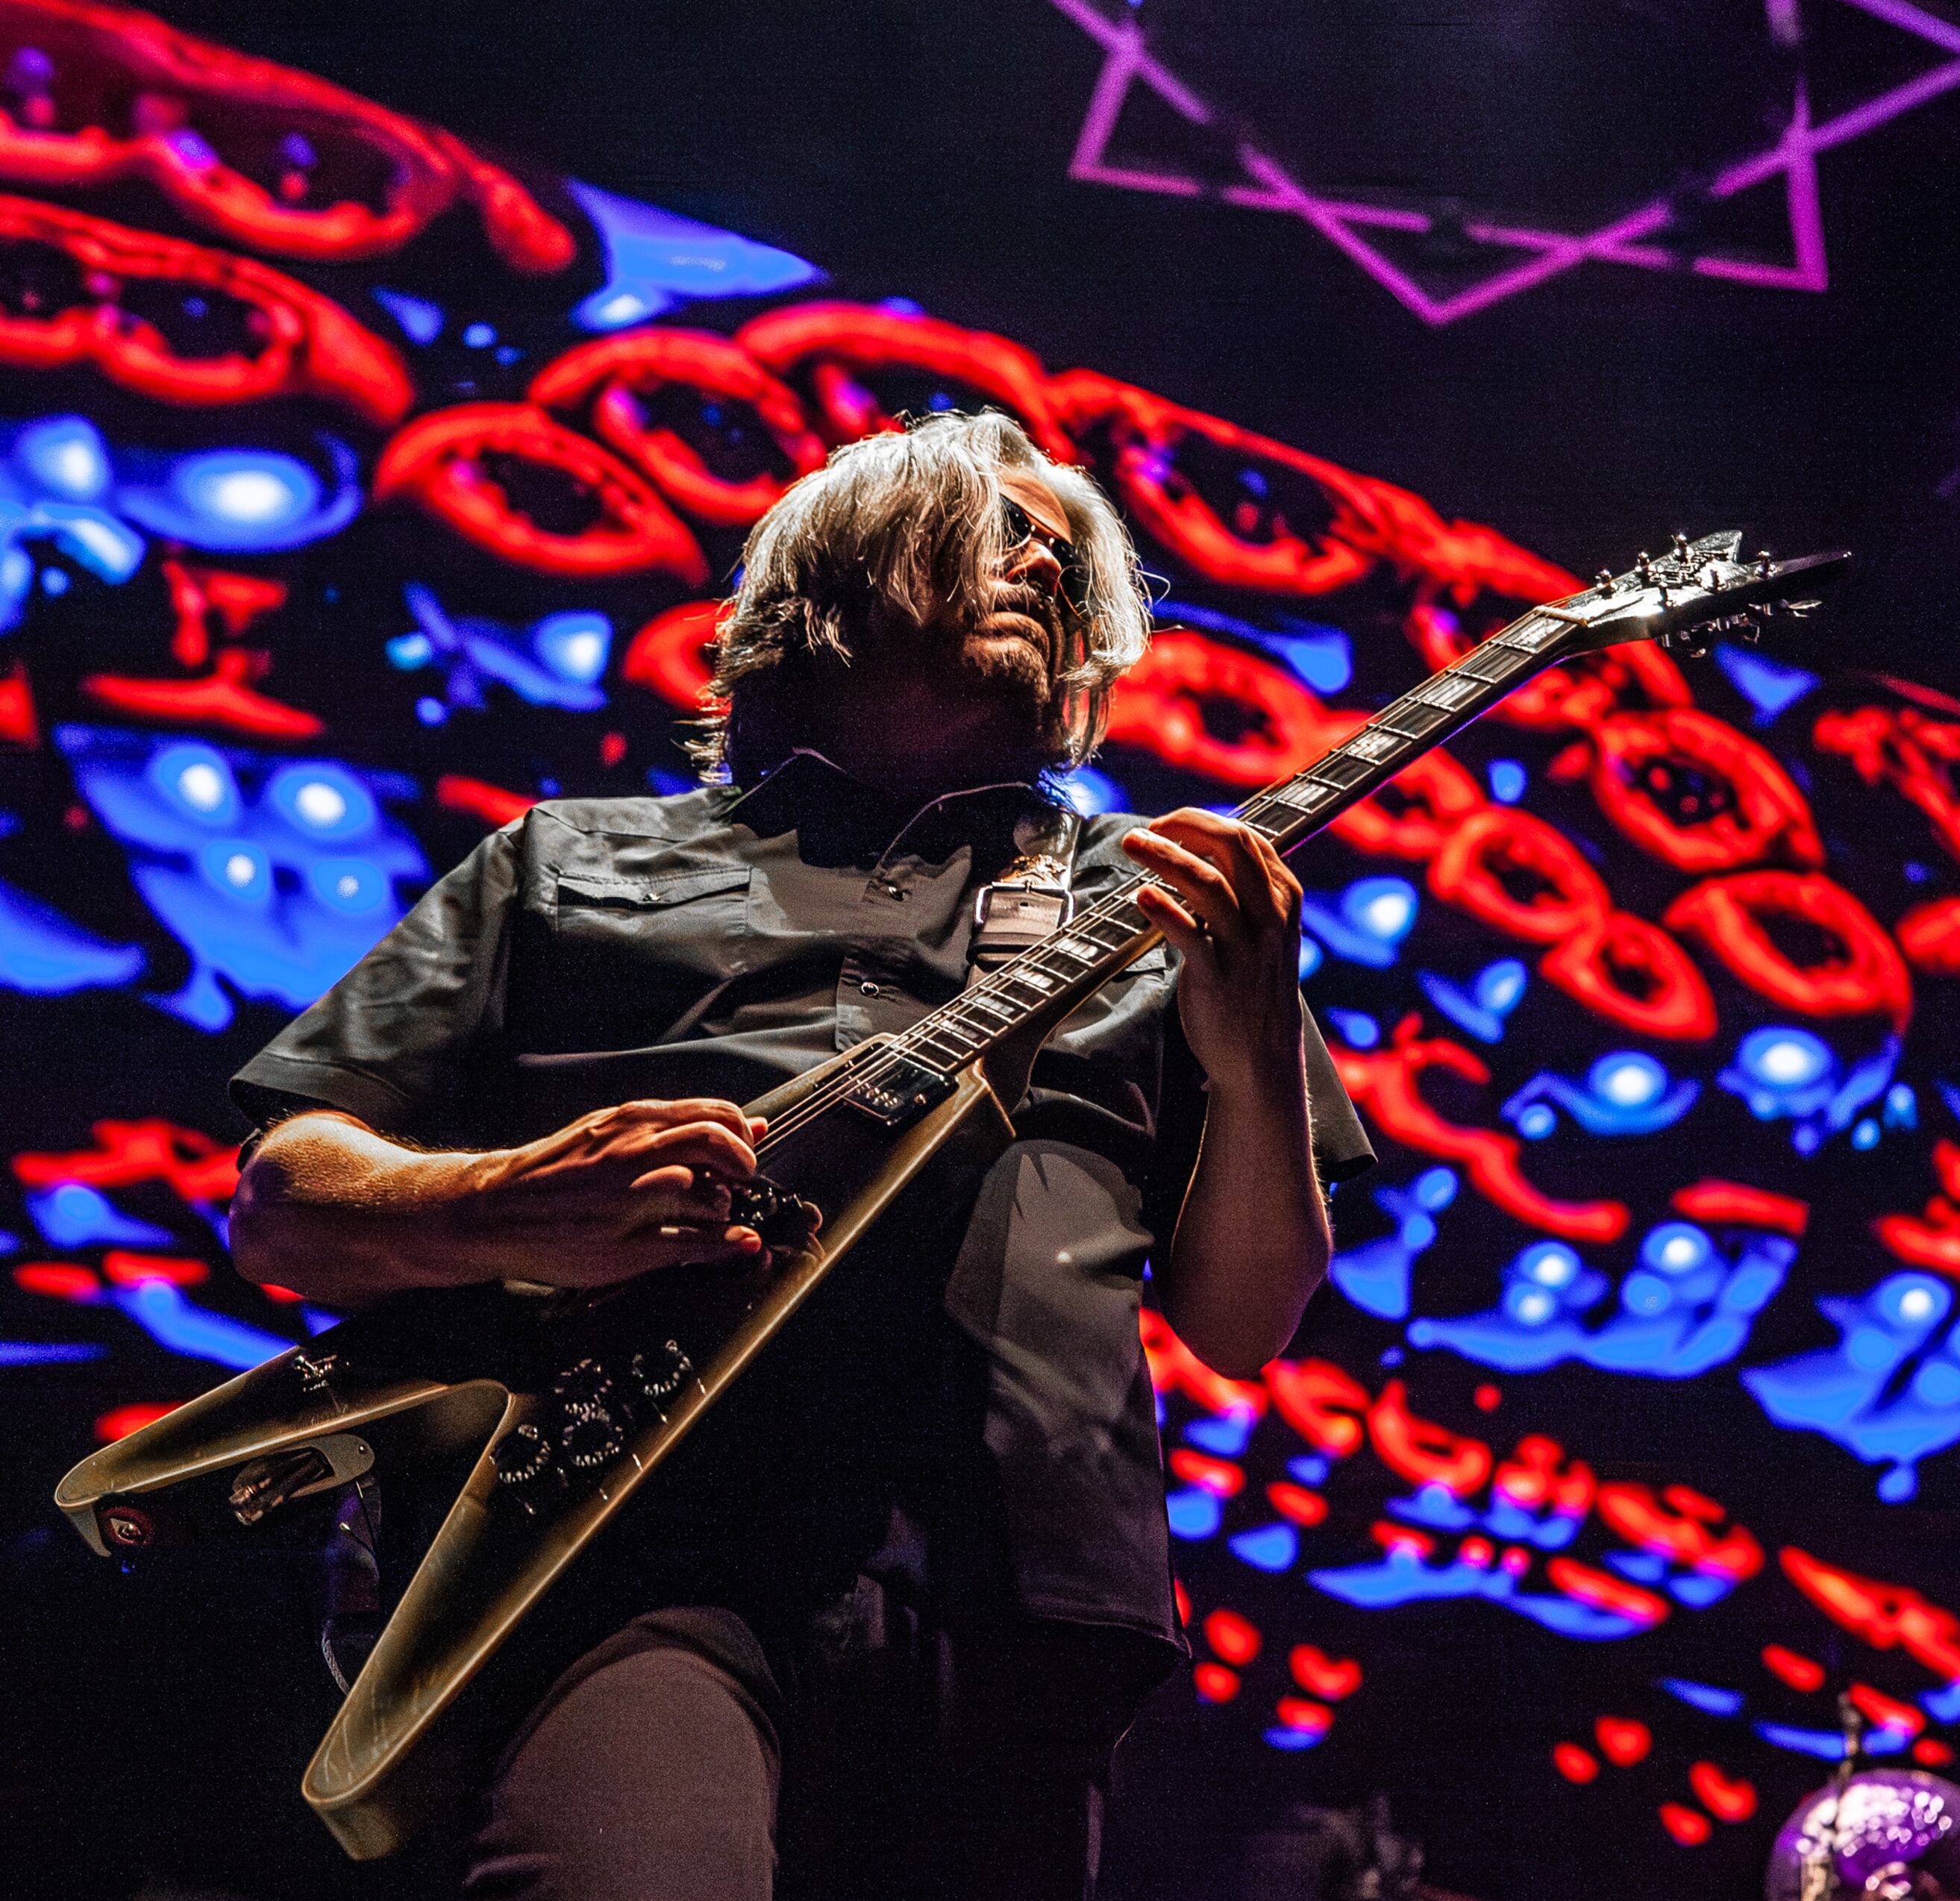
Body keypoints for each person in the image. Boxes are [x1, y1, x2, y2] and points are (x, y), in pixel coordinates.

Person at [224, 409, 1373, 1900]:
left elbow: (1244, 1318)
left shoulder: (1162, 899)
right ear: (834, 576)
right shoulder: (568, 861)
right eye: (999, 528)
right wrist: (513, 1200)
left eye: (1068, 557)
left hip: (1015, 1608)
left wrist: (1256, 1041)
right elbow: (286, 1202)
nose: (1048, 564)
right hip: (627, 1552)